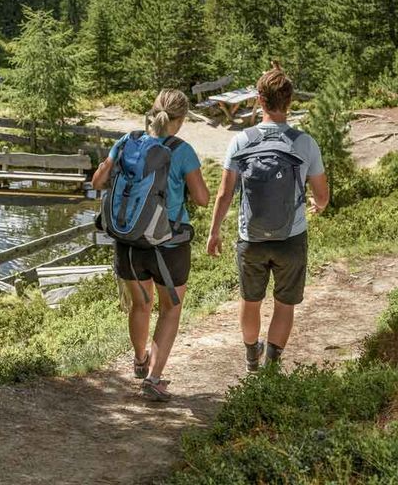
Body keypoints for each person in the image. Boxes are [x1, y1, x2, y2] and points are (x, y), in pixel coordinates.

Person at [206, 64, 329, 371]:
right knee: (285, 304)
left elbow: (224, 194)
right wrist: (318, 204)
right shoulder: (305, 143)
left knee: (251, 301)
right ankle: (272, 367)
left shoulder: (241, 141)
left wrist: (214, 232)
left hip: (251, 239)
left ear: (258, 99)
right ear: (290, 101)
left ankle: (251, 359)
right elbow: (323, 196)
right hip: (291, 237)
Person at [91, 89, 209, 401]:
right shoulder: (182, 151)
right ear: (180, 121)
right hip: (169, 245)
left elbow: (98, 181)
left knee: (140, 305)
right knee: (171, 309)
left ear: (151, 112)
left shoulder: (126, 140)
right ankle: (154, 379)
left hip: (129, 243)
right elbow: (201, 198)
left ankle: (140, 360)